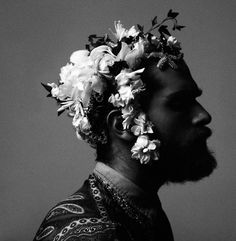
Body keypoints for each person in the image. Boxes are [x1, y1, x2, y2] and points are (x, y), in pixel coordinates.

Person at [34, 10, 217, 241]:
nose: (204, 115)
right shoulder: (92, 233)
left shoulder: (145, 211)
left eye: (196, 100)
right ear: (123, 124)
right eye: (180, 103)